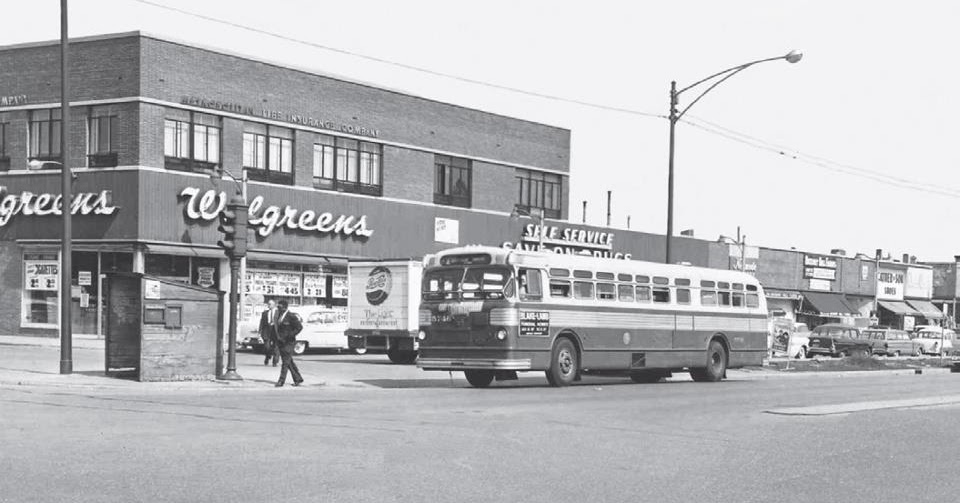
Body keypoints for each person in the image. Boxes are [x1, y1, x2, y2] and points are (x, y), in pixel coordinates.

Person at [274, 300, 304, 387]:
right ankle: (298, 378)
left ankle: (281, 380)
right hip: (281, 342)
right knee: (289, 361)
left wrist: (290, 335)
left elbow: (299, 327)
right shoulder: (279, 315)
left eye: (280, 307)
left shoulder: (291, 316)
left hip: (289, 342)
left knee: (285, 363)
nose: (278, 309)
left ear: (284, 307)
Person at [258, 300, 280, 367]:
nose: (269, 305)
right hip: (267, 331)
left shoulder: (278, 312)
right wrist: (260, 332)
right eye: (268, 304)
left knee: (276, 347)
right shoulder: (265, 313)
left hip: (276, 331)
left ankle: (275, 362)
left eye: (270, 304)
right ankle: (268, 356)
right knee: (267, 347)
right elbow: (261, 323)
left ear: (274, 305)